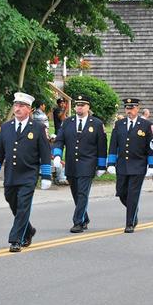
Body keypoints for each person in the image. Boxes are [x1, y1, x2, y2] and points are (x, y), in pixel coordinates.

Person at [0, 92, 52, 253]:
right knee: (11, 201)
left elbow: (45, 153)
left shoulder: (38, 128)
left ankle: (16, 239)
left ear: (29, 109)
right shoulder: (6, 127)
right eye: (16, 105)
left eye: (22, 106)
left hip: (29, 174)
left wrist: (46, 175)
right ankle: (28, 230)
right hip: (11, 174)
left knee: (23, 205)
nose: (18, 108)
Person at [52, 95, 107, 233]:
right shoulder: (68, 122)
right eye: (77, 105)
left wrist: (101, 166)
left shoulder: (96, 123)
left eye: (83, 105)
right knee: (76, 193)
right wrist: (57, 155)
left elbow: (101, 146)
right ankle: (84, 218)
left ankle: (77, 222)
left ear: (88, 107)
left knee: (82, 193)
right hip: (71, 163)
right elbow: (59, 140)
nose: (80, 107)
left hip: (88, 164)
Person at [107, 98, 153, 233]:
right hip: (122, 165)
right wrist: (111, 162)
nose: (129, 111)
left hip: (138, 165)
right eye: (127, 108)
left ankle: (130, 223)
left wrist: (152, 165)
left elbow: (151, 147)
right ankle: (133, 208)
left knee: (133, 195)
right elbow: (113, 145)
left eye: (132, 108)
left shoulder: (146, 125)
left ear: (138, 109)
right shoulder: (119, 124)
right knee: (121, 192)